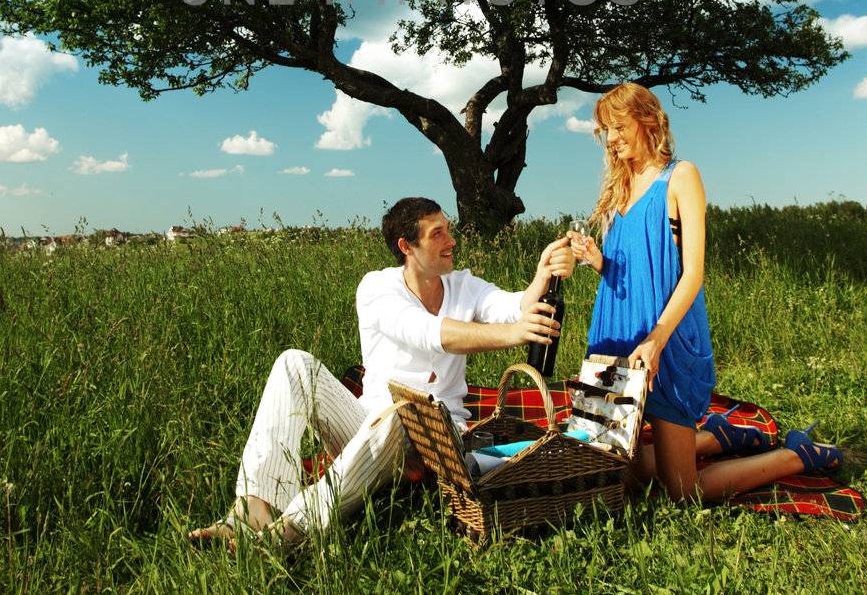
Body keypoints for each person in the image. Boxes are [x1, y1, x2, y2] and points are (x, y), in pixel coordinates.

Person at [187, 196, 577, 550]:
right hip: (365, 422)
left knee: (400, 412)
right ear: (407, 248)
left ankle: (291, 531)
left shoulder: (464, 285)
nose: (451, 240)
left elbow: (513, 307)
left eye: (449, 229)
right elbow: (428, 333)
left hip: (435, 436)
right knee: (294, 363)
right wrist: (513, 334)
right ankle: (252, 511)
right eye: (437, 233)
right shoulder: (376, 288)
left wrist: (541, 276)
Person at [566, 82, 843, 503]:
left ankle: (796, 454)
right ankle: (716, 437)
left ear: (647, 121)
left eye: (619, 127)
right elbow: (632, 269)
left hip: (666, 339)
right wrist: (598, 261)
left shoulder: (681, 176)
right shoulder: (618, 188)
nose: (613, 139)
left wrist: (656, 339)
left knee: (681, 492)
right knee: (613, 472)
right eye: (607, 130)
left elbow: (692, 273)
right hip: (616, 335)